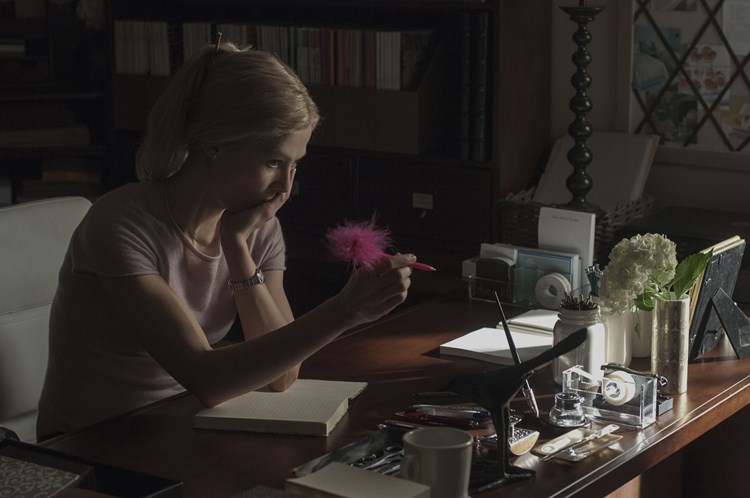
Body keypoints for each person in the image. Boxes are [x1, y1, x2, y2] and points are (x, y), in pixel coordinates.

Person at [36, 43, 416, 440]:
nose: (285, 188)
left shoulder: (255, 226)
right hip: (88, 446)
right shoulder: (120, 224)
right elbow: (208, 379)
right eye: (273, 162)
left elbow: (282, 377)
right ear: (216, 144)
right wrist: (345, 311)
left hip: (178, 429)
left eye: (295, 165)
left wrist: (236, 245)